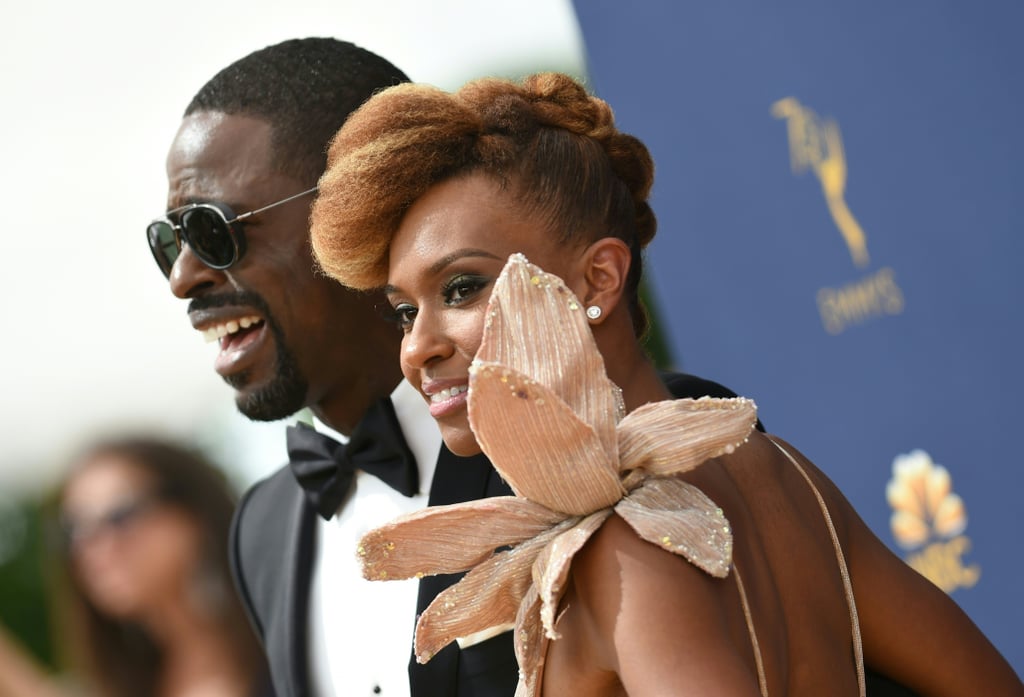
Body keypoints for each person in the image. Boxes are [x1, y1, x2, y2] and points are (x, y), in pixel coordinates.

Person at [308, 73, 1023, 696]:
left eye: (462, 287)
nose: (417, 348)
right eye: (404, 312)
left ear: (600, 278)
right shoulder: (787, 475)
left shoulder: (623, 542)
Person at [149, 38, 767, 697]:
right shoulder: (263, 529)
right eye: (168, 242)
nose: (184, 277)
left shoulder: (635, 446)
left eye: (212, 231)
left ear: (359, 200)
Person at [0, 436, 271, 697]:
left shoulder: (281, 634)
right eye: (73, 532)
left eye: (120, 516)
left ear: (193, 516)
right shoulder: (125, 681)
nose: (94, 548)